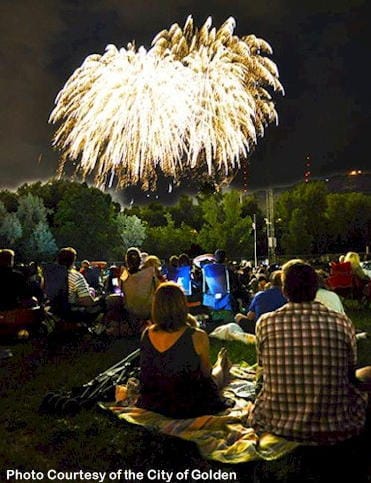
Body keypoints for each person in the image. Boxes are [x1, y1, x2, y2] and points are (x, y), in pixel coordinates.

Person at [251, 259, 369, 446]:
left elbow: (262, 369)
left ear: (284, 290)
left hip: (277, 424)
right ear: (316, 289)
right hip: (337, 426)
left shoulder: (265, 323)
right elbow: (350, 373)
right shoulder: (341, 322)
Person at [136, 282, 232, 418]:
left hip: (155, 402)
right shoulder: (197, 336)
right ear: (182, 305)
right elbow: (206, 374)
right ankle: (222, 364)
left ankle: (221, 364)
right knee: (215, 378)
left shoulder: (146, 334)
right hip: (188, 405)